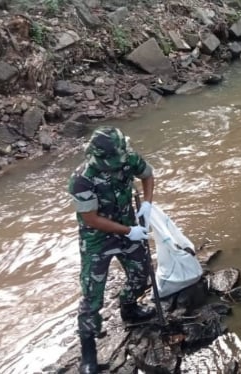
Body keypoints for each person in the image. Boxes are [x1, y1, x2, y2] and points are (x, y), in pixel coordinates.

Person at [68, 126, 156, 373]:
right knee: (92, 292)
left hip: (128, 224)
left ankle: (129, 308)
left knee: (142, 274)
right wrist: (129, 232)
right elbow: (91, 219)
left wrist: (147, 204)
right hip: (97, 238)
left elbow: (148, 175)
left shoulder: (128, 158)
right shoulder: (82, 179)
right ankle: (88, 349)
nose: (117, 165)